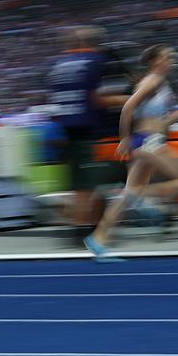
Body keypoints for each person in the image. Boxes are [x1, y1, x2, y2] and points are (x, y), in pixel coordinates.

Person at [85, 45, 178, 260]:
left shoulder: (161, 84)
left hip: (148, 141)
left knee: (128, 195)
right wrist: (124, 138)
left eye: (172, 56)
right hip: (147, 143)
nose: (172, 59)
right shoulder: (153, 80)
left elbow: (163, 122)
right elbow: (128, 107)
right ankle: (142, 198)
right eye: (167, 56)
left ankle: (98, 240)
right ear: (155, 61)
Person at [46, 27, 130, 244]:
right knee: (89, 185)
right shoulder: (94, 61)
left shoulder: (58, 65)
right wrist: (125, 100)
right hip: (90, 131)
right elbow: (97, 98)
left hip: (64, 130)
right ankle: (83, 231)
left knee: (78, 184)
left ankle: (81, 226)